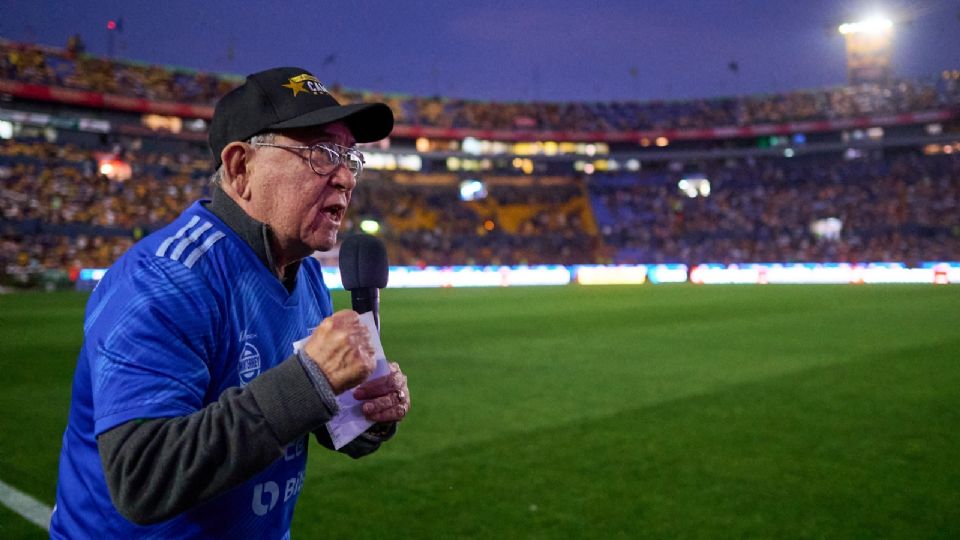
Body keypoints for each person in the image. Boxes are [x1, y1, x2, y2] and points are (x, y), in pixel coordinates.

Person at [50, 66, 411, 538]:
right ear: (241, 167)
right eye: (322, 153)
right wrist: (312, 378)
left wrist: (368, 412)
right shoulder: (165, 278)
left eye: (349, 156)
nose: (345, 176)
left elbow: (320, 417)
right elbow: (142, 478)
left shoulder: (305, 275)